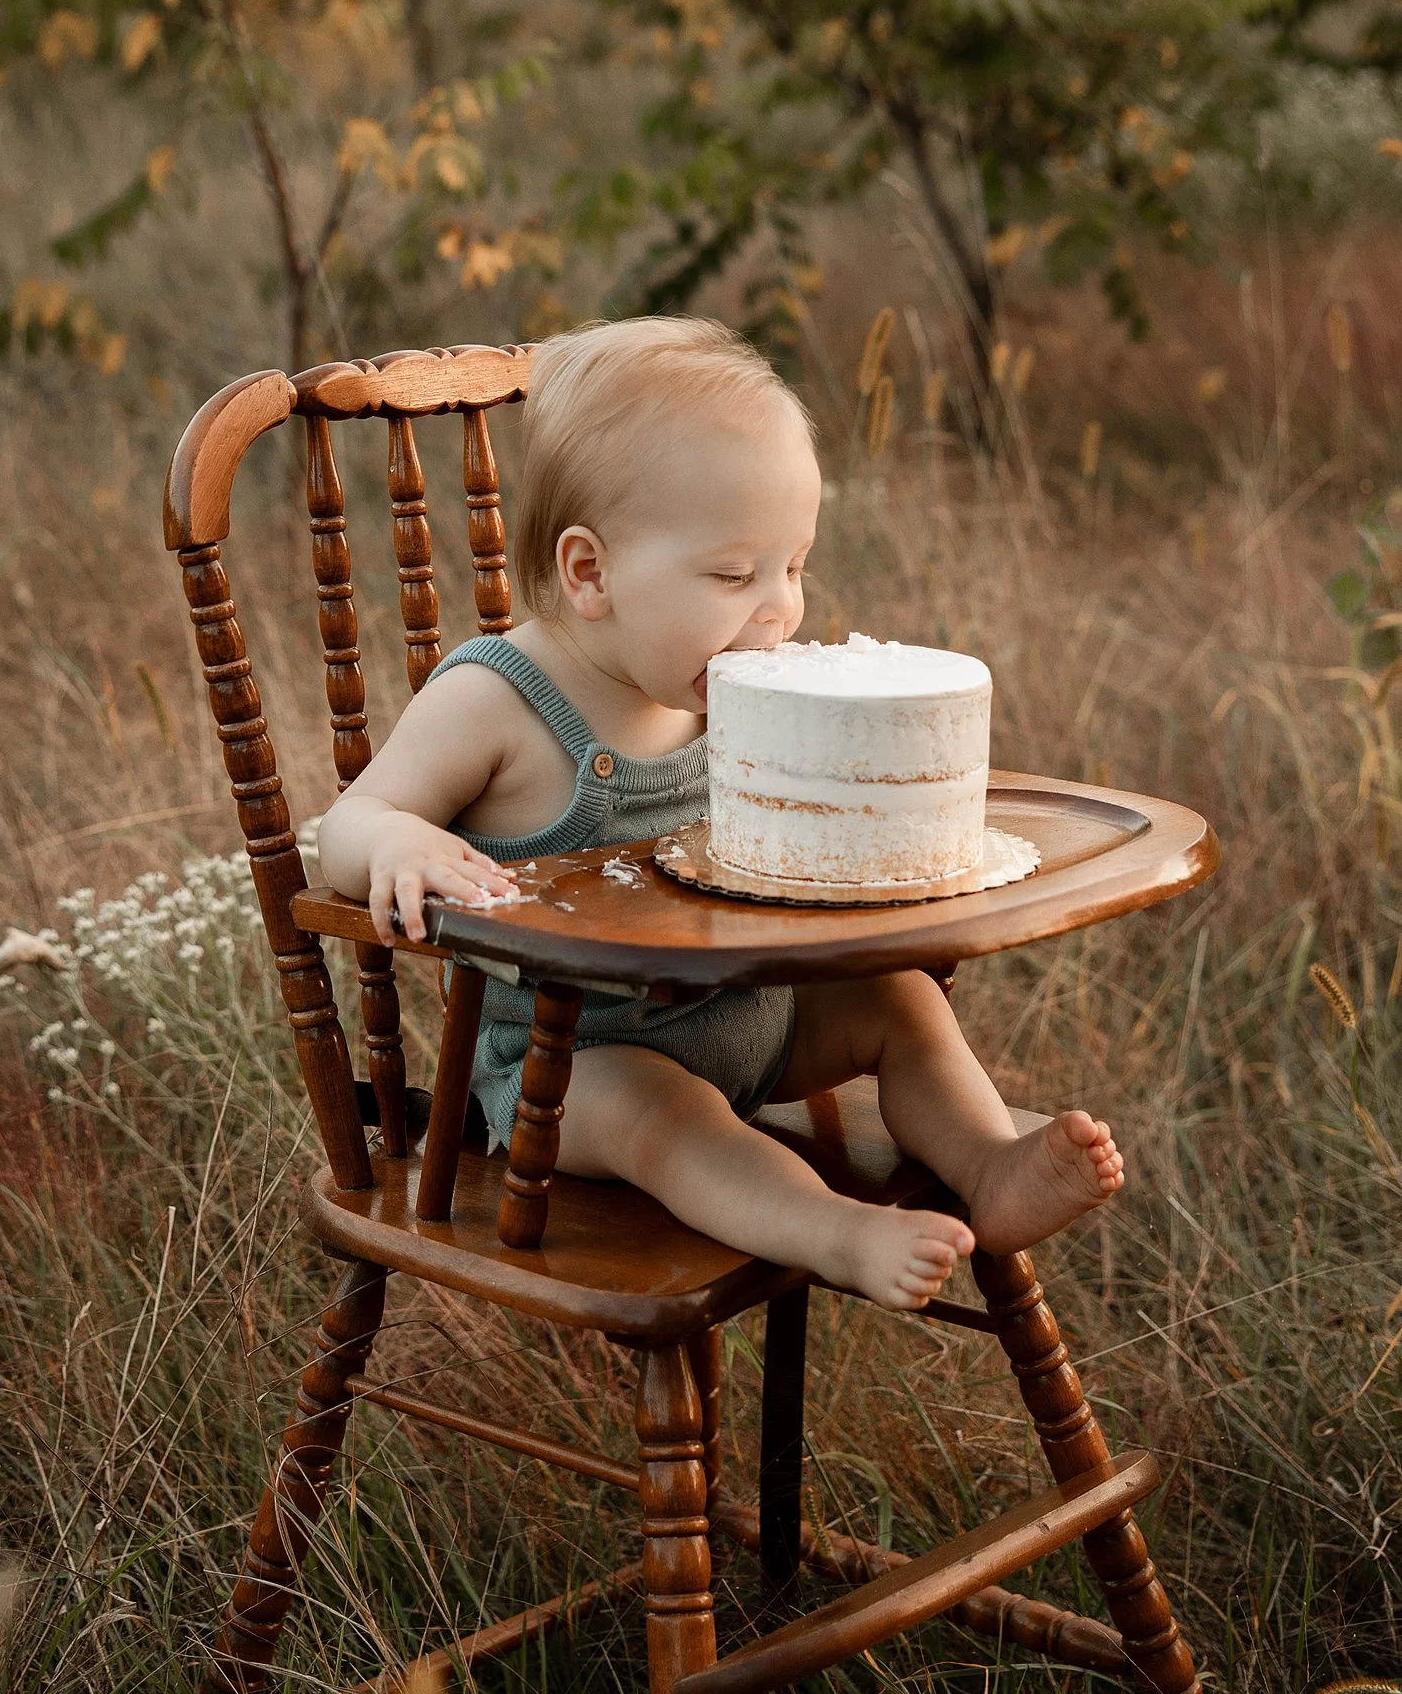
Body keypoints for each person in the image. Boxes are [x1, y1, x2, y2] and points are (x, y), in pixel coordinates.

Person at [317, 317, 1123, 1311]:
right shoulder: (499, 700)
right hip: (573, 1068)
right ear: (589, 572)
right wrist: (398, 836)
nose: (777, 610)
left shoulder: (727, 690)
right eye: (734, 575)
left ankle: (989, 1163)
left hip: (756, 1012)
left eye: (793, 565)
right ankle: (832, 1229)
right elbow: (346, 826)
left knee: (899, 996)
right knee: (669, 1120)